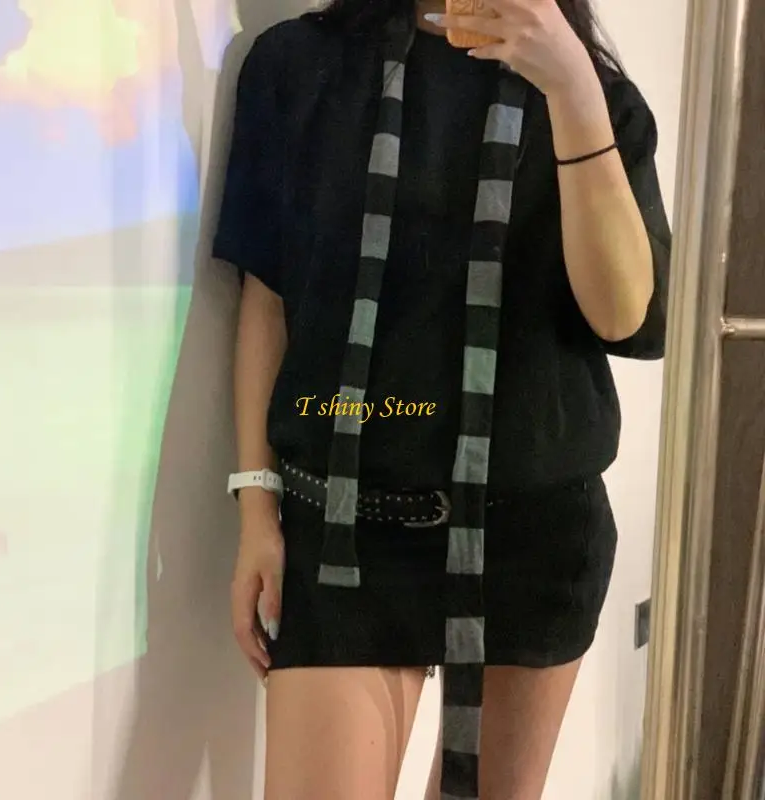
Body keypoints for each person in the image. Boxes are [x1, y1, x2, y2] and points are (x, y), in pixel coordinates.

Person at [212, 0, 671, 797]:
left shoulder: (593, 95)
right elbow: (269, 297)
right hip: (347, 530)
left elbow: (625, 316)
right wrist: (257, 506)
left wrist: (570, 85)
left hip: (529, 537)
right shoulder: (299, 67)